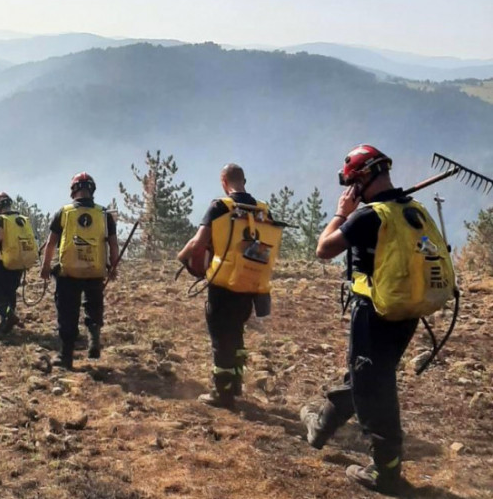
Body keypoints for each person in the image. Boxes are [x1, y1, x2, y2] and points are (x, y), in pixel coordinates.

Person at [300, 145, 454, 494]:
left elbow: (323, 249)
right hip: (406, 311)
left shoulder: (368, 216)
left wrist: (342, 213)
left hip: (373, 311)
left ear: (360, 181)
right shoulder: (411, 210)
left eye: (351, 183)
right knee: (367, 373)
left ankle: (384, 471)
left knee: (373, 385)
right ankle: (322, 424)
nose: (349, 190)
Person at [176, 164, 281, 409]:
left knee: (221, 337)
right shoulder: (263, 209)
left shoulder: (220, 207)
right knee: (237, 331)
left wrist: (181, 258)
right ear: (244, 180)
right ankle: (235, 383)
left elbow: (198, 242)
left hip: (223, 282)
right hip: (252, 281)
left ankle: (221, 394)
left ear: (224, 182)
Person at [40, 173, 119, 369]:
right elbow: (114, 244)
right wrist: (113, 266)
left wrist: (45, 266)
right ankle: (93, 338)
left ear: (73, 190)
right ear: (92, 190)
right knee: (94, 305)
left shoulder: (64, 212)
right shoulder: (104, 215)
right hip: (95, 269)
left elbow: (51, 243)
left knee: (67, 312)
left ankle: (66, 357)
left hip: (68, 272)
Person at [0, 192, 35, 332]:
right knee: (10, 292)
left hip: (2, 263)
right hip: (19, 263)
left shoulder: (2, 219)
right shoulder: (22, 219)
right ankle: (6, 322)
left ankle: (8, 314)